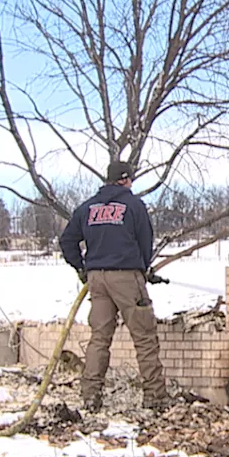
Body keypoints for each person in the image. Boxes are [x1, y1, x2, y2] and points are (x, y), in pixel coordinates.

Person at [59, 161, 170, 411]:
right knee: (144, 337)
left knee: (99, 338)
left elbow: (67, 241)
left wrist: (82, 268)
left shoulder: (87, 208)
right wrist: (142, 268)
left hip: (97, 279)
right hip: (127, 277)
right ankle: (155, 397)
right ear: (126, 180)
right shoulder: (133, 205)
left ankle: (90, 396)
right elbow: (145, 241)